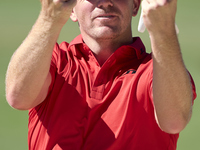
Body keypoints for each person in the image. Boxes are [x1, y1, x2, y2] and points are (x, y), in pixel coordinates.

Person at [5, 0, 197, 149]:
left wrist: (163, 32)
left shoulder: (157, 71)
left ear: (136, 5)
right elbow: (18, 97)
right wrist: (49, 19)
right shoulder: (53, 61)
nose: (105, 2)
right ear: (72, 8)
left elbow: (174, 121)